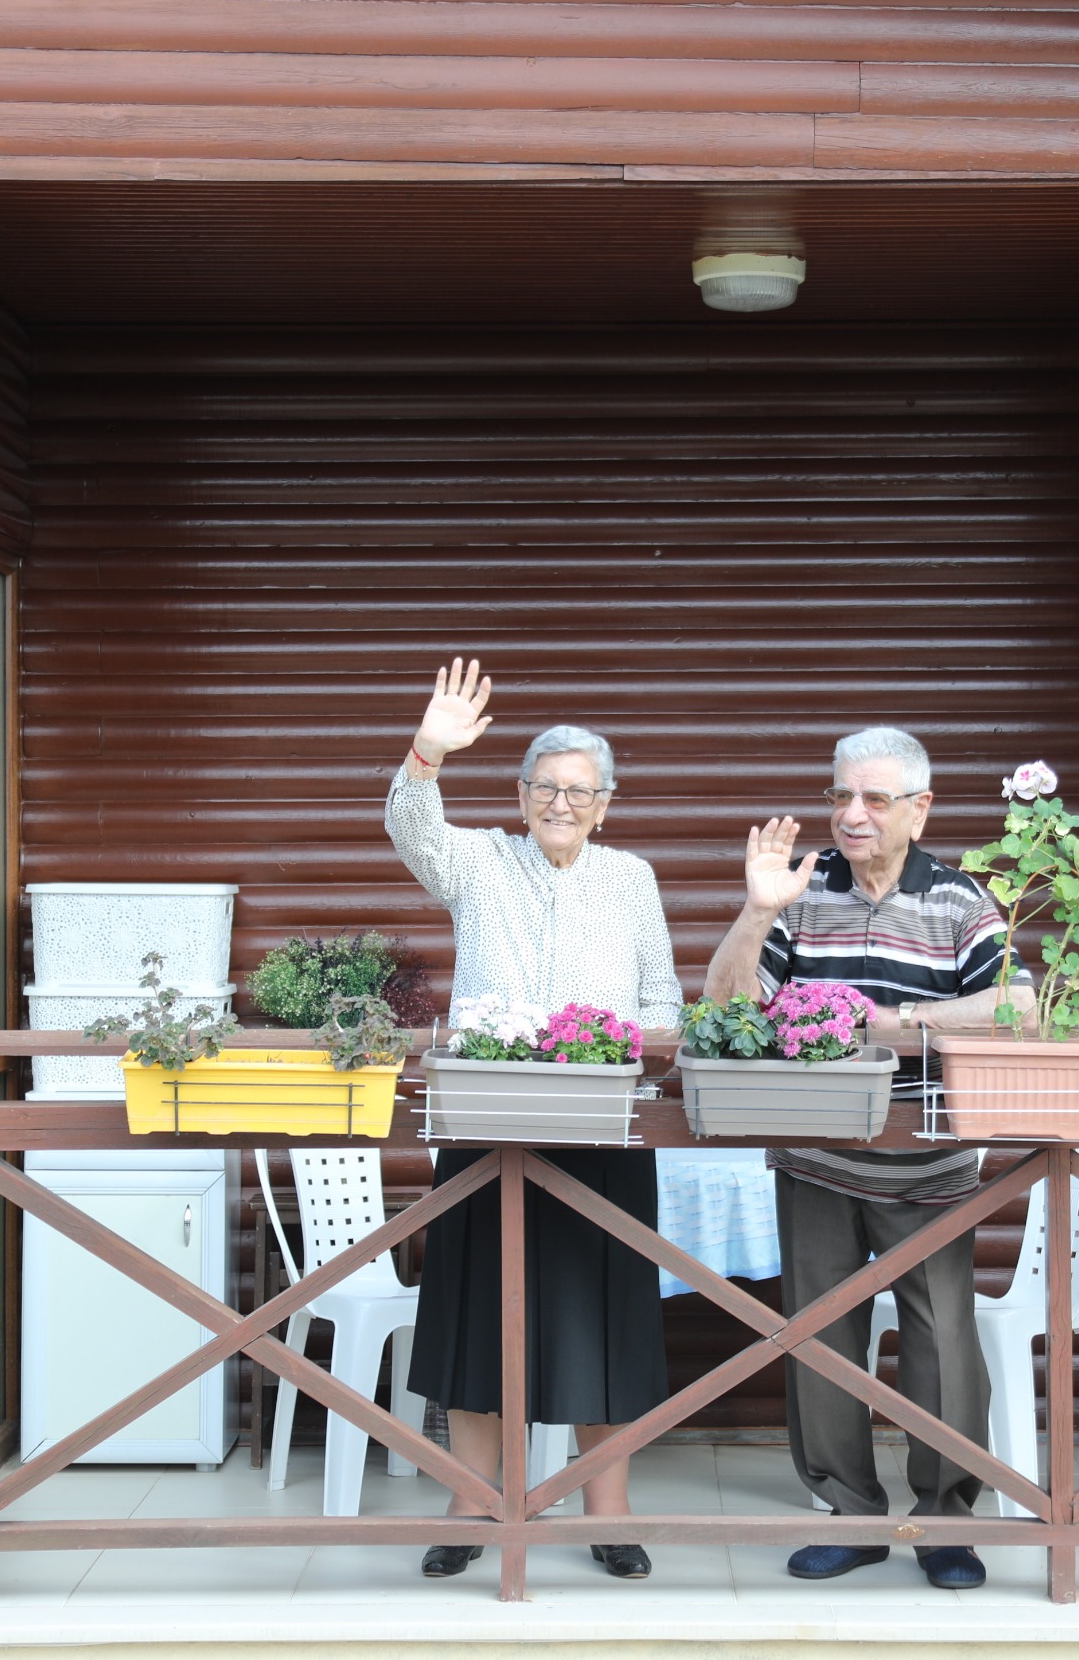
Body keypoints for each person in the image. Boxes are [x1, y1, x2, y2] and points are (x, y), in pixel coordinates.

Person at [702, 727, 1023, 1592]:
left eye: (875, 799)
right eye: (841, 796)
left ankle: (944, 1523)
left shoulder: (960, 899)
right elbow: (723, 1005)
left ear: (920, 809)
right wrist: (760, 908)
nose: (851, 815)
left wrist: (883, 1024)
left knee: (942, 1342)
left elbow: (1021, 1006)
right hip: (814, 1155)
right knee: (819, 1337)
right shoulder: (803, 895)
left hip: (930, 1161)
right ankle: (853, 1515)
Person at [387, 657, 683, 1582]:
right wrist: (429, 750)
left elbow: (662, 994)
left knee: (609, 1322)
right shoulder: (478, 861)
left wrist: (632, 1041)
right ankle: (474, 1505)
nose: (562, 803)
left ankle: (609, 1511)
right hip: (490, 1127)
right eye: (546, 787)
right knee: (477, 1317)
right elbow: (409, 828)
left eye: (580, 791)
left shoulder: (631, 878)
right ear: (519, 796)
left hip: (606, 1133)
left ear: (606, 804)